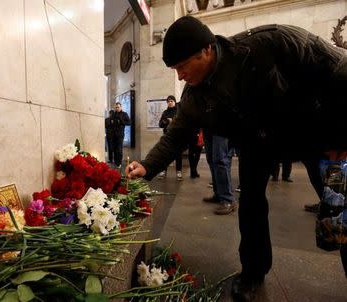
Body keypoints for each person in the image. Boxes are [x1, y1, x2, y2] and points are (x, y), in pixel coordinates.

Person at [126, 16, 347, 302]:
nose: (179, 76)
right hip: (256, 146)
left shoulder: (270, 41)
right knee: (252, 205)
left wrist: (340, 135)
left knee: (340, 210)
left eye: (181, 66)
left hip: (315, 137)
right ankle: (253, 272)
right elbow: (176, 134)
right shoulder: (195, 95)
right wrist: (147, 165)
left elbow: (339, 69)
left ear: (206, 51)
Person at [202, 133, 237, 215]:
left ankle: (228, 199)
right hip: (208, 127)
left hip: (221, 126)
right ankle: (218, 193)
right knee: (211, 160)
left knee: (221, 160)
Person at [158, 95, 183, 180]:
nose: (170, 102)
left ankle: (179, 172)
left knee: (178, 155)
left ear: (175, 102)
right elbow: (160, 124)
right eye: (168, 101)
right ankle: (163, 171)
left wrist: (172, 121)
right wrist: (165, 122)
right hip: (167, 136)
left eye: (171, 101)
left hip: (177, 136)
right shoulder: (165, 112)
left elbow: (181, 122)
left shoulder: (179, 111)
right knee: (165, 154)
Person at [112, 102, 131, 169]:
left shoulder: (124, 114)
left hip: (120, 134)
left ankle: (119, 163)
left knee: (119, 149)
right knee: (114, 148)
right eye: (116, 107)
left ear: (121, 107)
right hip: (113, 134)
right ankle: (116, 162)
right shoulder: (114, 114)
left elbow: (129, 122)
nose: (117, 108)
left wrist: (121, 121)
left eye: (118, 107)